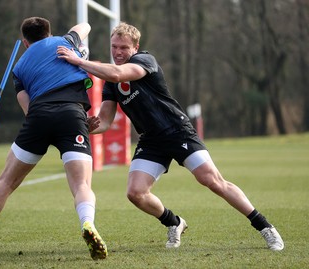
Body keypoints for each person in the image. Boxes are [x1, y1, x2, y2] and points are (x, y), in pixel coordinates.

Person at [57, 22, 284, 251]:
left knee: (212, 181)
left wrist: (78, 61)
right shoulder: (110, 83)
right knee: (135, 193)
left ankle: (265, 227)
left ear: (135, 48)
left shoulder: (145, 61)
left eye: (124, 47)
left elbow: (118, 74)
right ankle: (174, 223)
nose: (117, 52)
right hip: (151, 140)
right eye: (114, 46)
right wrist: (87, 127)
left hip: (177, 130)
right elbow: (105, 120)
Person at [0, 17, 107, 260]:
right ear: (49, 32)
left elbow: (28, 109)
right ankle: (88, 225)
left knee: (6, 182)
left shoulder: (19, 68)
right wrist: (76, 46)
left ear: (25, 42)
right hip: (72, 114)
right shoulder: (64, 42)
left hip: (39, 116)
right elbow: (86, 26)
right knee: (81, 185)